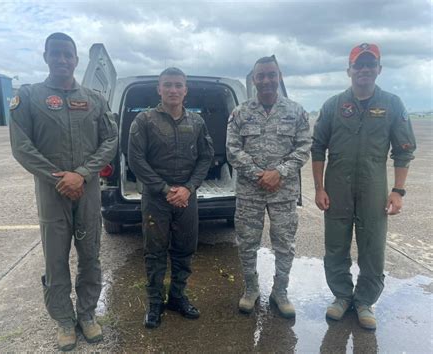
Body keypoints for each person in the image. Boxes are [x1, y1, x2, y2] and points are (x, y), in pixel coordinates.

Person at [9, 32, 118, 351]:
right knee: (55, 261)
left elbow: (110, 140)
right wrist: (60, 178)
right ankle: (64, 321)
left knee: (91, 256)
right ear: (45, 56)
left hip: (88, 192)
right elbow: (21, 146)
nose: (61, 60)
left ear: (76, 59)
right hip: (52, 194)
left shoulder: (95, 99)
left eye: (67, 54)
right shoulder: (29, 97)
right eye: (55, 54)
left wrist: (82, 175)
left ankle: (86, 315)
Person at [311, 43, 416, 330]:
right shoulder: (333, 105)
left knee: (372, 246)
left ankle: (365, 301)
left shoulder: (392, 104)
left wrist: (398, 190)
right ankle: (342, 297)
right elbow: (318, 148)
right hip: (337, 186)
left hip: (373, 186)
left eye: (371, 65)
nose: (365, 70)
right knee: (336, 245)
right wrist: (319, 188)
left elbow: (404, 150)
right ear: (350, 70)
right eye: (359, 65)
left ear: (379, 70)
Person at [128, 67, 214, 328]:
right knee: (155, 253)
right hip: (156, 198)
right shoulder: (144, 121)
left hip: (187, 198)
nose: (173, 90)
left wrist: (188, 188)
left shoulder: (197, 122)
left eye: (178, 85)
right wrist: (166, 190)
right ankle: (155, 303)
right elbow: (136, 160)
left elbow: (205, 157)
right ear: (159, 89)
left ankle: (177, 296)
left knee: (185, 249)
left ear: (186, 90)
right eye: (168, 85)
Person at [226, 56, 311, 318]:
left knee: (285, 243)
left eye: (271, 75)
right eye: (261, 76)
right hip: (250, 192)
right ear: (254, 80)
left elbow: (304, 146)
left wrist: (280, 173)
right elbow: (232, 149)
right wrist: (258, 174)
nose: (266, 80)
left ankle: (280, 292)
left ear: (280, 77)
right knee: (247, 242)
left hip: (283, 192)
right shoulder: (240, 113)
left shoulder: (296, 112)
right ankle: (251, 290)